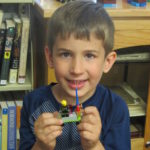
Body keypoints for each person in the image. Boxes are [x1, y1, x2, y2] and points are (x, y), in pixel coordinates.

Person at [19, 0, 131, 150]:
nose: (77, 69)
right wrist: (41, 146)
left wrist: (94, 146)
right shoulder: (32, 104)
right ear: (50, 57)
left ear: (107, 61)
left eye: (89, 55)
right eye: (65, 54)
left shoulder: (116, 109)